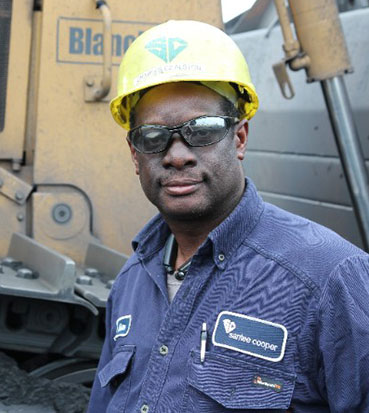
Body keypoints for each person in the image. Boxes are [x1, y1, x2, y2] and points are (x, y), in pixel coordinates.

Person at [88, 20, 369, 413]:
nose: (177, 154)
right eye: (153, 137)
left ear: (239, 138)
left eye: (201, 130)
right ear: (136, 156)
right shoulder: (133, 279)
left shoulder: (331, 278)